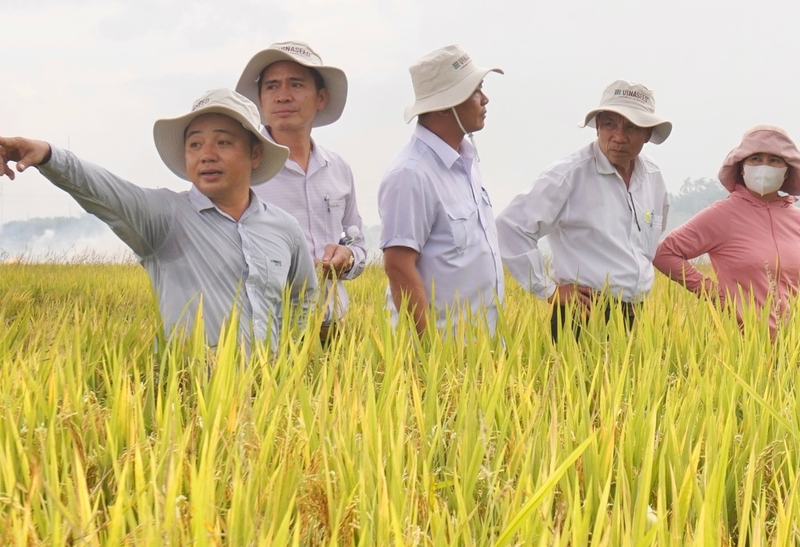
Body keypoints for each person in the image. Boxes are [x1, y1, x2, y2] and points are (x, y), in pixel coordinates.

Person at [0, 90, 318, 351]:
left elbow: (303, 298)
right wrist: (48, 155)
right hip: (192, 401)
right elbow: (106, 192)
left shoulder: (284, 228)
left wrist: (287, 355)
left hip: (271, 404)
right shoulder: (165, 217)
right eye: (195, 144)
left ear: (254, 153)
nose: (206, 154)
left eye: (224, 142)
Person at [497, 80, 672, 337]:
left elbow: (649, 240)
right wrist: (549, 290)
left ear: (647, 134)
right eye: (610, 124)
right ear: (597, 126)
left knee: (633, 377)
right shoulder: (569, 174)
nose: (619, 137)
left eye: (632, 127)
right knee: (580, 378)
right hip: (583, 313)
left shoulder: (652, 176)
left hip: (636, 313)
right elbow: (510, 226)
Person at [238, 41, 367, 333]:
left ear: (321, 98)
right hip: (267, 331)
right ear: (259, 100)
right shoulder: (243, 169)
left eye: (295, 85)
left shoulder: (338, 169)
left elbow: (357, 242)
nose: (283, 96)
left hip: (334, 327)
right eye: (272, 86)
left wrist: (347, 259)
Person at [378, 45, 504, 333]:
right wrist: (429, 354)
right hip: (441, 355)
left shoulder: (466, 161)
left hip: (480, 349)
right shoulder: (410, 174)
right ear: (447, 104)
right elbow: (398, 267)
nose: (485, 99)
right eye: (475, 91)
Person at [653, 125, 800, 329]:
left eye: (774, 160)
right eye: (756, 159)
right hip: (743, 345)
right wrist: (718, 297)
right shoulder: (723, 214)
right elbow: (665, 254)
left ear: (787, 171)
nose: (764, 167)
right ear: (742, 168)